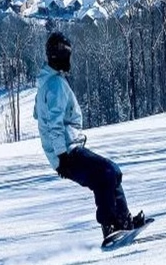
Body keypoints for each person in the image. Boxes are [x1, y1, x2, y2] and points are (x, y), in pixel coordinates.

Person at [34, 30, 145, 243]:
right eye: (66, 53)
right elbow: (53, 123)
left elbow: (42, 116)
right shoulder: (55, 85)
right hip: (67, 151)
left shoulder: (49, 83)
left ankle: (123, 220)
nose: (69, 58)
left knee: (110, 174)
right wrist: (62, 156)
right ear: (57, 56)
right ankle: (110, 226)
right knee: (108, 173)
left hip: (67, 148)